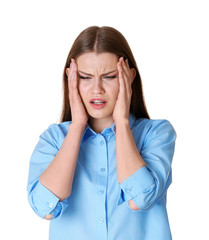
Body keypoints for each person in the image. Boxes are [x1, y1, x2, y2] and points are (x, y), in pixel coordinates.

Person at [27, 26, 177, 240]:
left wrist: (122, 122)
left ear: (129, 76)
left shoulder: (157, 134)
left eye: (109, 76)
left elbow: (140, 199)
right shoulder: (54, 139)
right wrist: (78, 125)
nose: (97, 88)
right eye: (85, 77)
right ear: (71, 77)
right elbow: (44, 208)